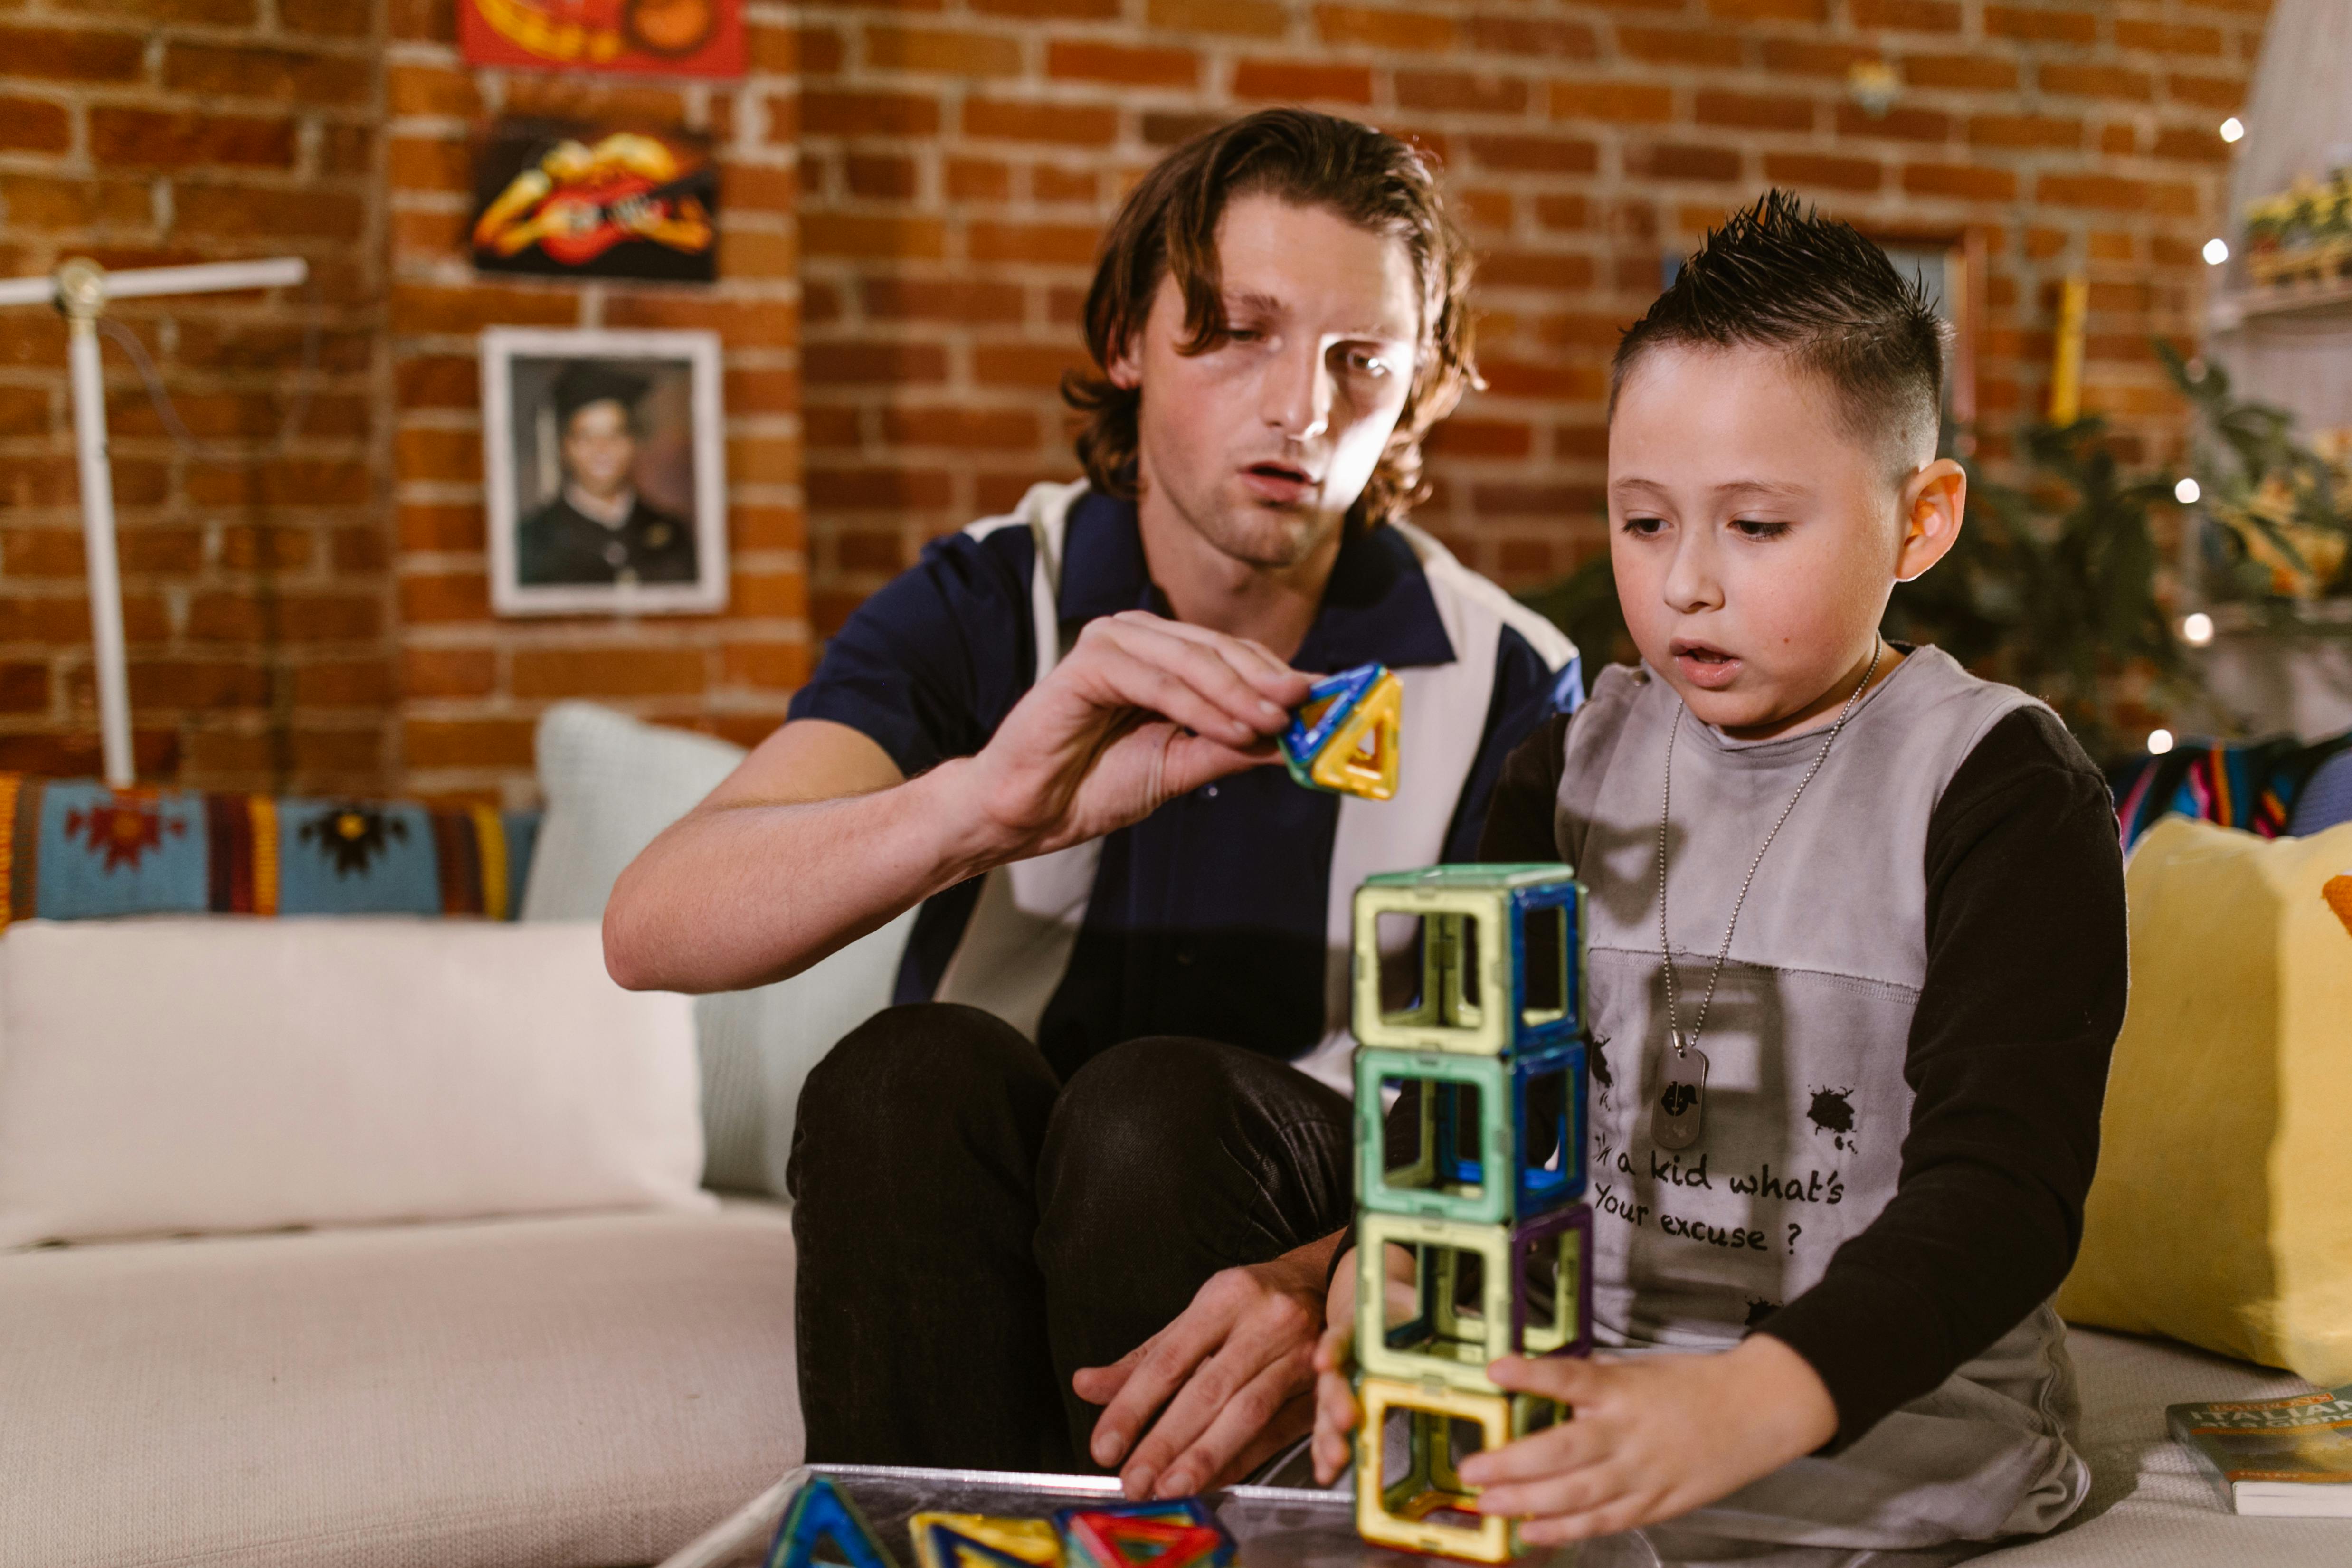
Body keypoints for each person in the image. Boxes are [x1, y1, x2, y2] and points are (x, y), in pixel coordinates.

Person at [602, 110, 1578, 1494]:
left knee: (1151, 1102)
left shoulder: (1508, 680)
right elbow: (651, 927)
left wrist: (1336, 1270)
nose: (1299, 407)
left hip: (1286, 1195)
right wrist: (992, 803)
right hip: (989, 1178)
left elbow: (1524, 1108)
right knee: (901, 1070)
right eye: (1236, 331)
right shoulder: (994, 598)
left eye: (1360, 361)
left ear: (1417, 389)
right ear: (1127, 339)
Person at [1310, 191, 2129, 1557]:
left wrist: (1745, 1403)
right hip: (1593, 1394)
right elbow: (1446, 1104)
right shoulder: (1560, 768)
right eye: (1644, 523)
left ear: (1920, 521)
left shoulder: (2002, 790)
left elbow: (2006, 1192)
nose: (1688, 582)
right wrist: (1377, 1272)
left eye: (1756, 527)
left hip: (1888, 1432)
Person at [517, 362, 698, 586]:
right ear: (565, 448)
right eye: (587, 437)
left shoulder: (672, 535)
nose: (602, 450)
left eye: (615, 435)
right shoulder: (533, 540)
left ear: (632, 443)